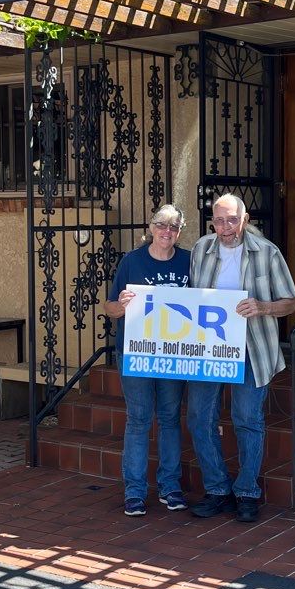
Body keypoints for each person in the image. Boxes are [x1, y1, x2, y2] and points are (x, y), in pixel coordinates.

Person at [187, 193, 295, 524]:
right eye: (219, 220)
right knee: (198, 418)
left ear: (245, 219)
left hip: (252, 348)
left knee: (247, 419)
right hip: (209, 348)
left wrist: (263, 307)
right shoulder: (200, 250)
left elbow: (290, 301)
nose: (225, 227)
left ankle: (247, 491)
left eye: (232, 220)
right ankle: (217, 489)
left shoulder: (267, 252)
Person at [103, 203, 190, 517]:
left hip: (173, 354)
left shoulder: (188, 261)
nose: (167, 232)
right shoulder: (132, 261)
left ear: (180, 232)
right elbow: (109, 307)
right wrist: (122, 306)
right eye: (162, 225)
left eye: (174, 227)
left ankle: (170, 487)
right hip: (137, 351)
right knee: (139, 419)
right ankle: (135, 492)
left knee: (169, 418)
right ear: (152, 228)